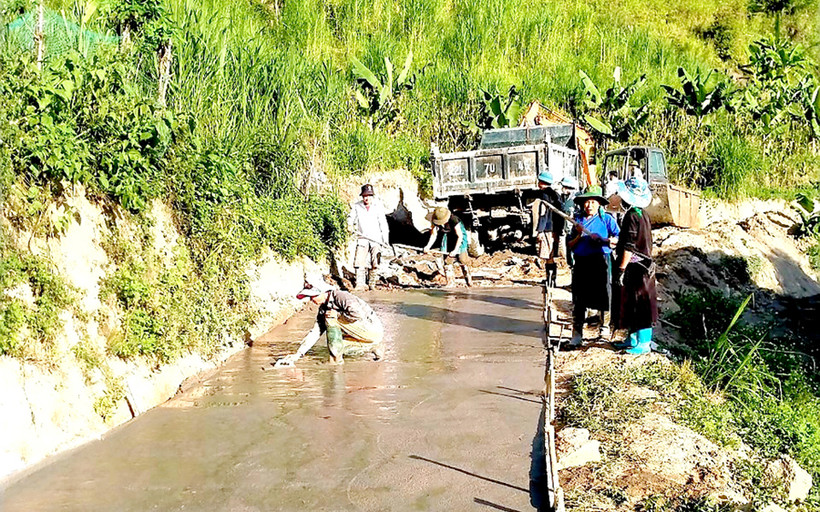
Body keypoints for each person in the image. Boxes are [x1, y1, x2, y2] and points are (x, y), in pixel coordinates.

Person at [275, 278, 384, 366]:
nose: (311, 300)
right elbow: (316, 331)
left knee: (330, 318)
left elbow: (357, 314)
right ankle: (373, 347)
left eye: (312, 296)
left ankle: (335, 361)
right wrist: (298, 354)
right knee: (337, 347)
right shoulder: (324, 307)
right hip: (365, 334)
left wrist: (337, 315)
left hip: (372, 329)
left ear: (322, 292)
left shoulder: (341, 297)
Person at [609, 177, 658, 355]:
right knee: (630, 304)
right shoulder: (642, 214)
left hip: (637, 268)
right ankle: (632, 339)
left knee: (640, 305)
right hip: (644, 265)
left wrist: (621, 269)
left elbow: (630, 247)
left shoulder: (631, 216)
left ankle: (643, 343)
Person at [567, 185, 620, 347]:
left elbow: (617, 238)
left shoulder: (607, 219)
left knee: (605, 294)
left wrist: (604, 240)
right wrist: (580, 235)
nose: (589, 205)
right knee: (579, 297)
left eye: (592, 202)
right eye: (586, 202)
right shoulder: (578, 221)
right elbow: (570, 244)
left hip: (602, 261)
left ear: (599, 204)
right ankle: (577, 334)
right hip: (582, 262)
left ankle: (604, 329)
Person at [348, 184, 390, 290]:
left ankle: (372, 284)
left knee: (375, 262)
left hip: (376, 239)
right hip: (362, 238)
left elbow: (383, 224)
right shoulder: (357, 206)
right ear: (362, 196)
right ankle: (360, 283)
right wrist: (349, 225)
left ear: (372, 196)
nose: (367, 198)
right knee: (359, 261)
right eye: (365, 196)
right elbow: (350, 218)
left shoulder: (378, 207)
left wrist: (385, 240)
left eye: (369, 196)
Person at [424, 206, 473, 286]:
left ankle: (469, 282)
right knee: (447, 262)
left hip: (459, 237)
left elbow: (459, 236)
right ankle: (450, 283)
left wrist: (455, 250)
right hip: (447, 237)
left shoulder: (454, 220)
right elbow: (433, 235)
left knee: (462, 259)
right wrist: (427, 246)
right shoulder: (435, 220)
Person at [532, 171, 565, 286]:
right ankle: (552, 280)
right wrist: (560, 230)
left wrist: (540, 231)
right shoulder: (556, 195)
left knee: (548, 255)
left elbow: (543, 214)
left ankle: (550, 280)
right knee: (551, 254)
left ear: (541, 182)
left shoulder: (544, 195)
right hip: (555, 228)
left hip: (547, 228)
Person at [560, 176, 580, 268]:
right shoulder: (565, 198)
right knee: (569, 251)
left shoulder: (576, 198)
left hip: (574, 229)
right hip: (568, 230)